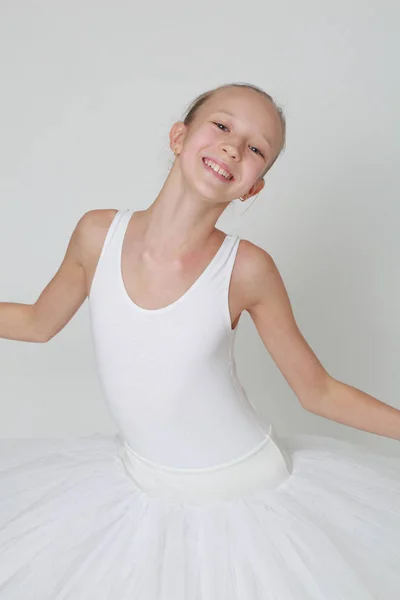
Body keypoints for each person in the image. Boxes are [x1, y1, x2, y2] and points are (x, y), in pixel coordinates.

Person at [0, 82, 399, 599]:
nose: (235, 146)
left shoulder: (247, 269)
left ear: (252, 188)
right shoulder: (97, 235)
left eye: (257, 148)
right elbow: (37, 322)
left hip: (251, 496)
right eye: (223, 125)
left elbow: (317, 390)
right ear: (178, 136)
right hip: (141, 489)